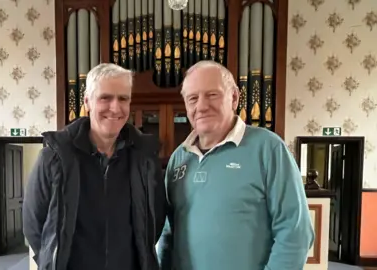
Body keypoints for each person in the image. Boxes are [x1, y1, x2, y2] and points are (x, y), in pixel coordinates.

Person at [157, 60, 314, 270]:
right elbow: (169, 233)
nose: (202, 106)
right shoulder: (179, 157)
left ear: (234, 97)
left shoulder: (268, 148)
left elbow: (295, 233)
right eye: (193, 98)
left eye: (212, 95)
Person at [23, 63, 166, 270]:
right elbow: (33, 223)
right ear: (87, 101)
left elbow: (155, 219)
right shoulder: (55, 156)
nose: (115, 108)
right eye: (105, 98)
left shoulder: (144, 158)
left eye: (123, 98)